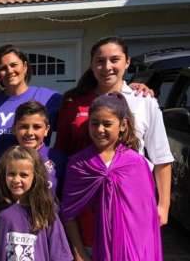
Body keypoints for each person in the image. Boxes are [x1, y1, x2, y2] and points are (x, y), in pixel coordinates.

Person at [55, 36, 173, 253]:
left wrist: (163, 206)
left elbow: (161, 157)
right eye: (100, 61)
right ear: (91, 65)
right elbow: (63, 152)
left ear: (127, 62)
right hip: (86, 201)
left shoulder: (143, 100)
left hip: (133, 202)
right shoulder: (75, 101)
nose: (107, 67)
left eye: (114, 60)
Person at [60, 93, 162, 261]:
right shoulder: (78, 164)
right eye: (94, 123)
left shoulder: (136, 164)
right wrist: (79, 253)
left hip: (131, 250)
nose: (100, 129)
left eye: (107, 124)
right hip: (90, 248)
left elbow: (145, 216)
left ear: (122, 125)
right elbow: (68, 213)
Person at [0, 146, 72, 261]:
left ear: (35, 177)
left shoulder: (46, 211)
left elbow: (60, 256)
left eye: (23, 175)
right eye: (11, 174)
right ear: (4, 175)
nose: (16, 180)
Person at [0, 45, 62, 168]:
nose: (9, 71)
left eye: (13, 65)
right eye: (3, 68)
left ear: (25, 67)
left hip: (36, 176)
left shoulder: (49, 98)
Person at [12, 101, 67, 198]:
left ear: (46, 130)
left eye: (36, 127)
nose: (29, 132)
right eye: (24, 127)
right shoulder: (7, 160)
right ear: (14, 129)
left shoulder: (59, 160)